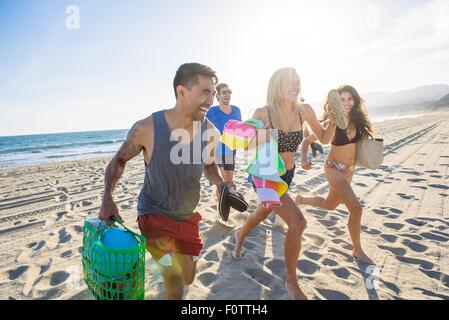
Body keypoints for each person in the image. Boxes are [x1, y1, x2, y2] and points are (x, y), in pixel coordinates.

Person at [99, 63, 234, 300]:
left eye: (212, 93)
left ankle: (147, 269)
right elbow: (118, 161)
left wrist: (219, 183)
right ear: (182, 92)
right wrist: (107, 199)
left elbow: (209, 165)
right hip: (154, 214)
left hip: (187, 216)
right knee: (174, 281)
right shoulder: (147, 128)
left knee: (189, 276)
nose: (211, 99)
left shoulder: (210, 131)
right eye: (205, 92)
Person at [233, 67, 337, 300]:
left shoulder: (304, 110)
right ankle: (292, 281)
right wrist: (263, 134)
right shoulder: (263, 113)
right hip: (266, 178)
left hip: (287, 176)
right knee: (298, 222)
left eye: (297, 81)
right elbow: (244, 146)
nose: (294, 85)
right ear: (276, 86)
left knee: (262, 213)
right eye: (288, 82)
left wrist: (332, 121)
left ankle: (240, 236)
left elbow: (324, 138)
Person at [295, 85, 375, 264]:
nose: (346, 103)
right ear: (335, 103)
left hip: (350, 170)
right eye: (342, 100)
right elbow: (311, 141)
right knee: (356, 208)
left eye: (349, 99)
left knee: (330, 204)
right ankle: (357, 250)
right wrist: (303, 159)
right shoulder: (332, 121)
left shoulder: (357, 120)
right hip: (334, 168)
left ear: (355, 101)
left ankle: (300, 199)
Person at [206, 83, 242, 182]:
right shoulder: (211, 111)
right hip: (218, 150)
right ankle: (223, 194)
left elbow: (241, 130)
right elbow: (203, 128)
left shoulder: (236, 110)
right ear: (217, 95)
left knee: (227, 182)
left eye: (229, 92)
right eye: (224, 92)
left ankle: (222, 195)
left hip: (231, 149)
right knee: (226, 181)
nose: (227, 94)